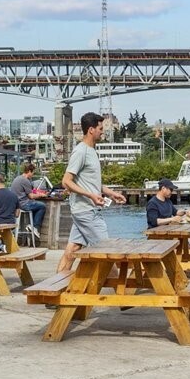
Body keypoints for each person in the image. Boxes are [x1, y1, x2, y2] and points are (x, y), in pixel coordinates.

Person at [58, 112, 128, 274]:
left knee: (72, 250)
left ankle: (53, 291)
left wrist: (111, 193)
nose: (102, 131)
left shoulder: (91, 151)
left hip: (84, 210)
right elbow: (66, 181)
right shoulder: (81, 151)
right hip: (87, 211)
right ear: (91, 130)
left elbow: (92, 183)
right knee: (106, 251)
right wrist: (91, 196)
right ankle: (118, 293)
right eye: (100, 128)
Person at [10, 162, 46, 229]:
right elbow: (31, 196)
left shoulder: (17, 178)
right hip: (23, 204)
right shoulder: (25, 180)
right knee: (42, 206)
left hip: (16, 204)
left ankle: (31, 226)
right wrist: (41, 195)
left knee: (35, 206)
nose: (33, 174)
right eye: (33, 173)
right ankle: (35, 227)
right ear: (29, 171)